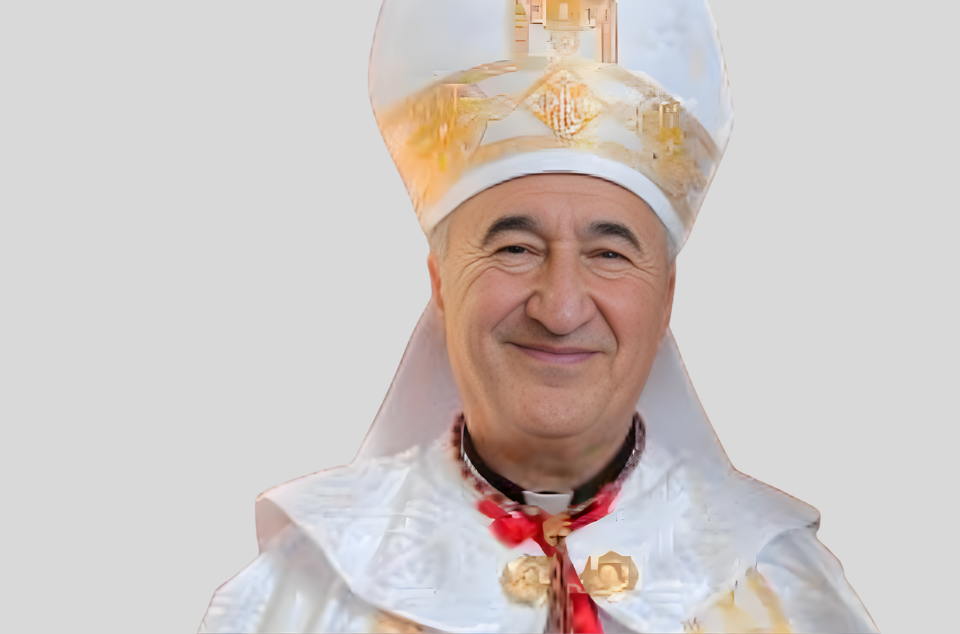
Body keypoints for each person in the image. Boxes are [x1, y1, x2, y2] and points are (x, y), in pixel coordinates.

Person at [199, 1, 877, 632]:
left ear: (666, 295)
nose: (560, 308)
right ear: (440, 282)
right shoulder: (301, 599)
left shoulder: (785, 593)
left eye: (609, 254)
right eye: (515, 249)